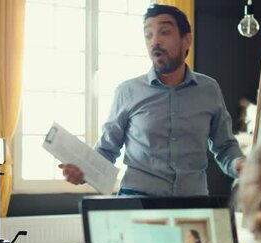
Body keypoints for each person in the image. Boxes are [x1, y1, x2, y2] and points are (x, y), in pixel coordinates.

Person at [59, 4, 244, 196]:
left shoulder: (209, 89)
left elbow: (225, 147)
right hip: (137, 202)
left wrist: (241, 165)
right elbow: (106, 150)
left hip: (193, 203)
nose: (155, 41)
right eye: (148, 35)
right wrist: (83, 172)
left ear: (186, 40)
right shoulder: (127, 91)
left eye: (164, 32)